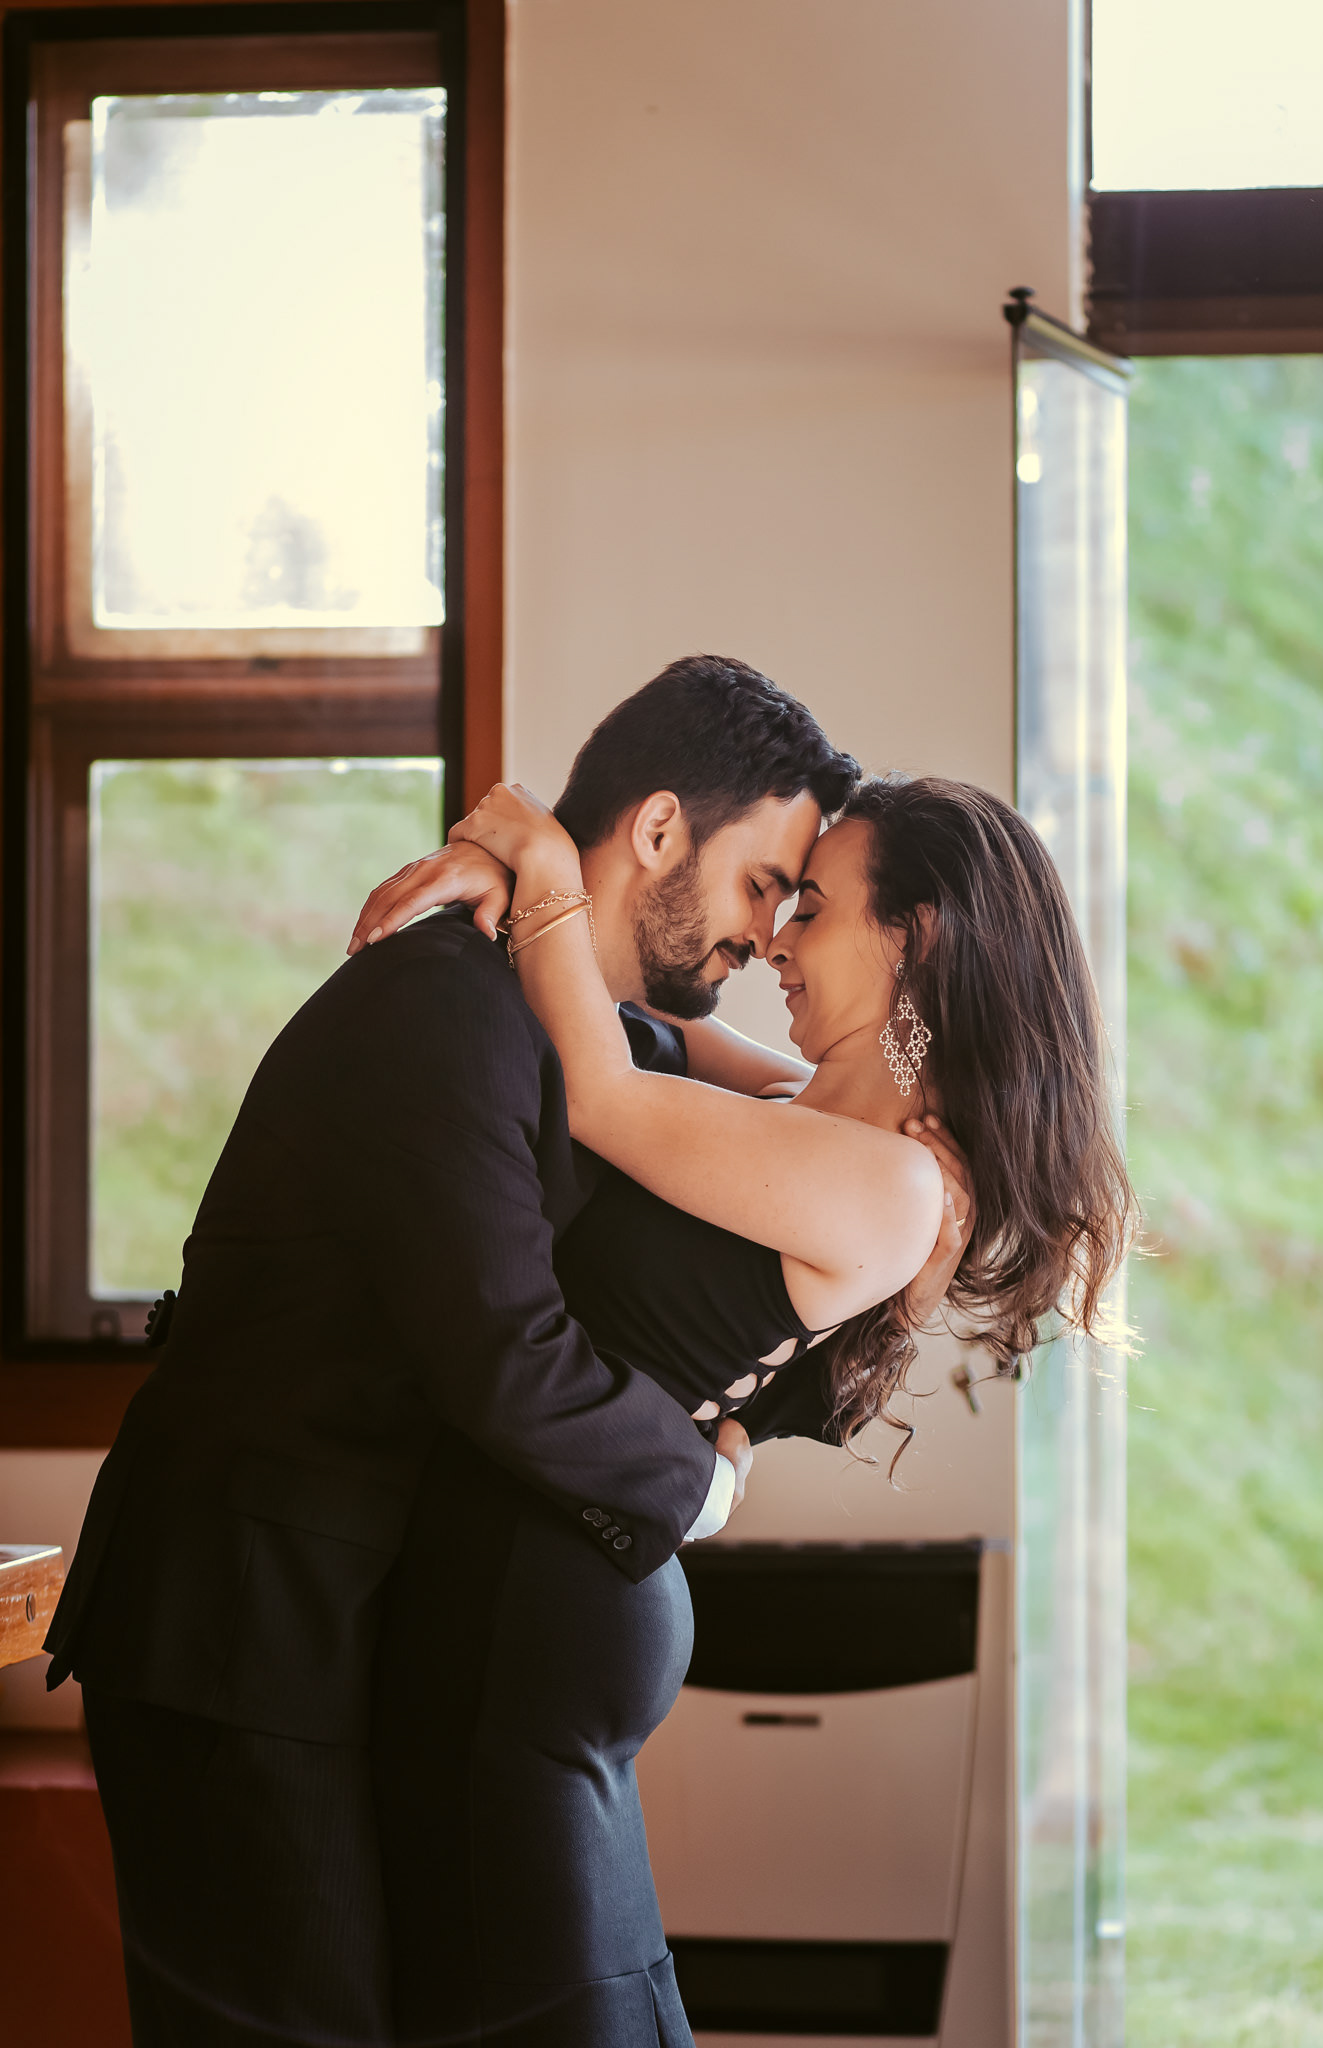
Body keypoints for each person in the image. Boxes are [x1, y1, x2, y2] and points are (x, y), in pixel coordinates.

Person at [45, 655, 916, 2048]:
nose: (768, 937)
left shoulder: (584, 1027)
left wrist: (530, 870)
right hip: (244, 1626)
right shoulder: (440, 1002)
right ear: (658, 828)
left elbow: (786, 1126)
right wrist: (694, 1486)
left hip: (347, 1624)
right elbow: (510, 1356)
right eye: (764, 884)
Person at [350, 767, 1134, 2048]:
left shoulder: (892, 1184)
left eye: (810, 907)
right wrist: (529, 890)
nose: (774, 938)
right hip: (545, 1567)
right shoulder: (819, 1114)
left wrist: (545, 863)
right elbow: (640, 1024)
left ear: (914, 935)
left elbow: (604, 1091)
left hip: (544, 1592)